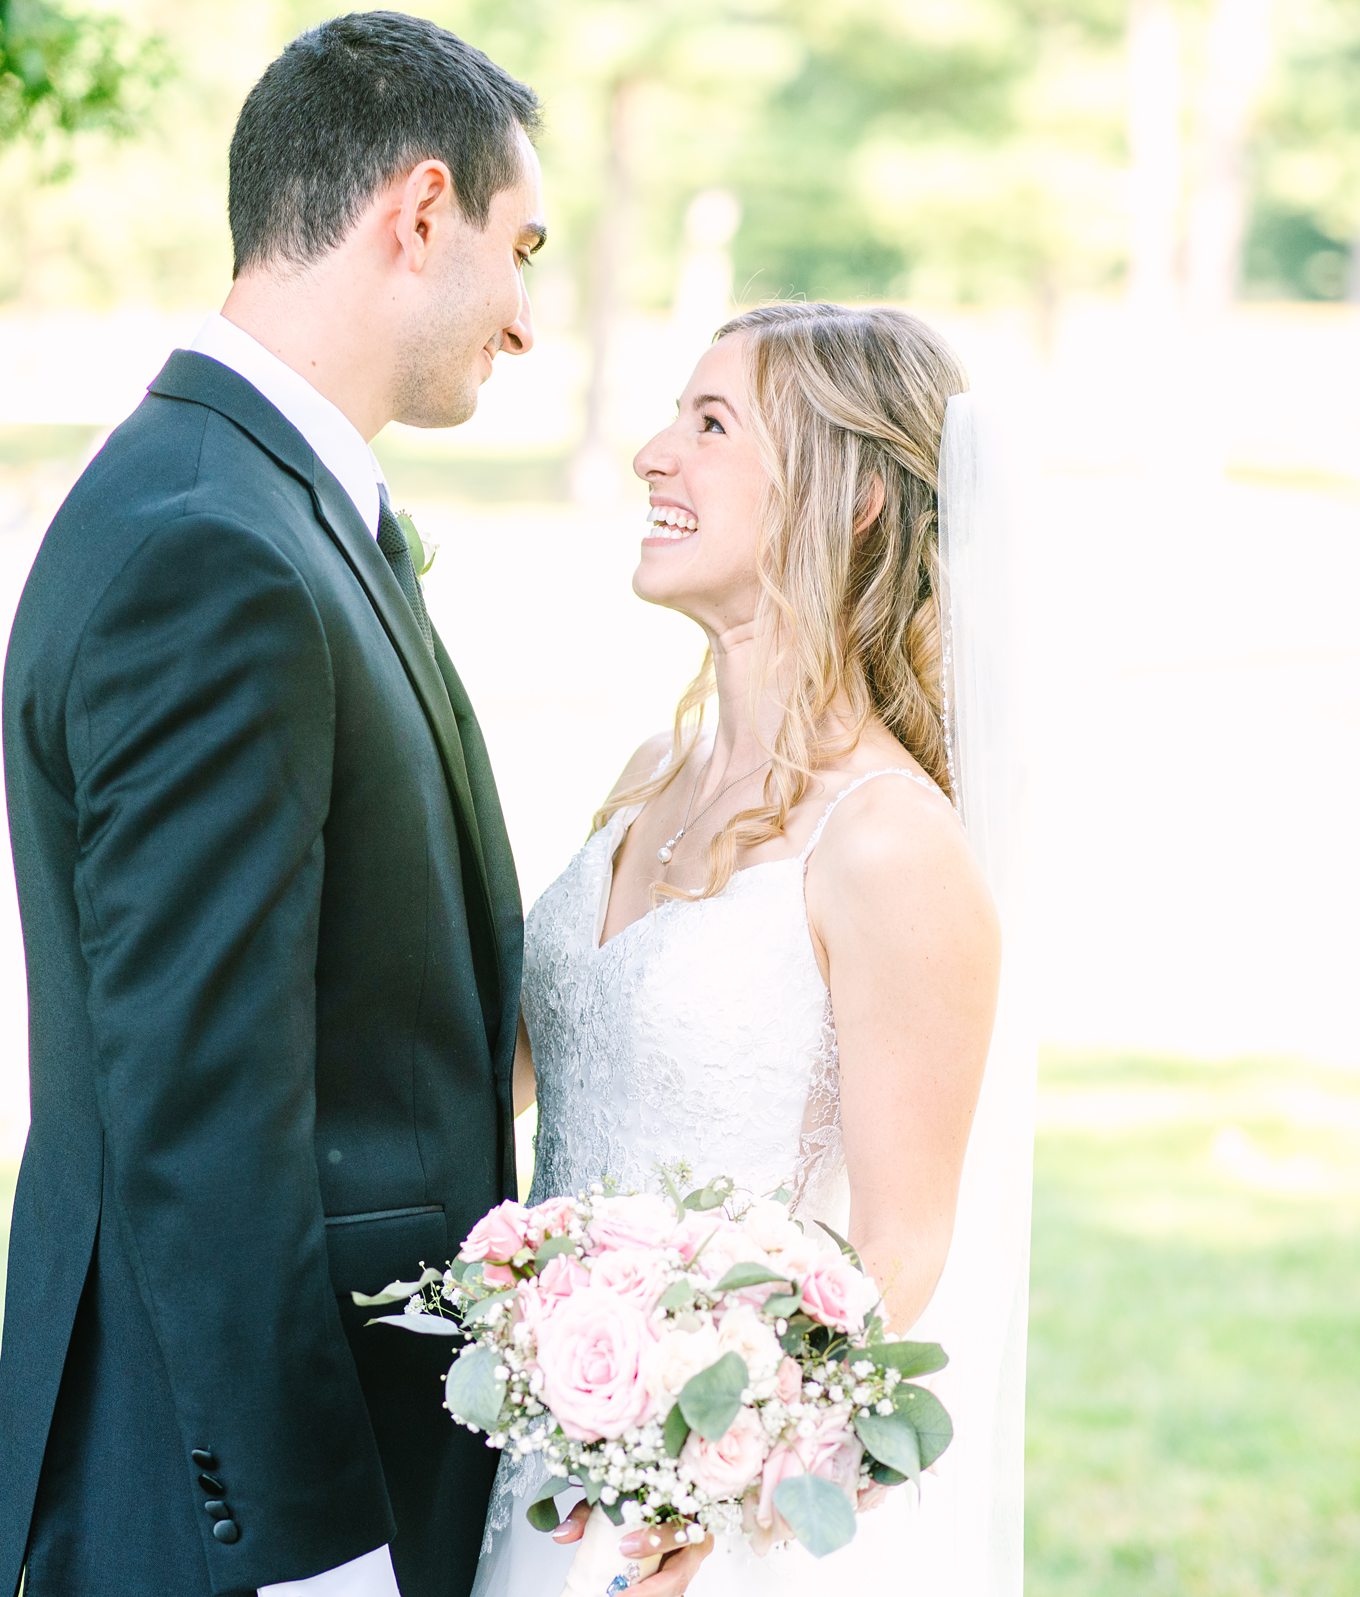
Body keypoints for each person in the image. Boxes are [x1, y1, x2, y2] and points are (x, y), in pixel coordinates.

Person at [0, 14, 546, 1596]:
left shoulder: (251, 503)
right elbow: (202, 1103)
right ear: (419, 216)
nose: (527, 317)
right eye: (523, 248)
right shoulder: (212, 551)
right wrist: (310, 1551)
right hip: (239, 1507)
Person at [472, 304, 1004, 1597]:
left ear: (858, 496)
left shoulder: (885, 841)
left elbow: (901, 1250)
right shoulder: (651, 772)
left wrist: (704, 1487)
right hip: (536, 1467)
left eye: (711, 425)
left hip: (714, 1519)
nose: (657, 453)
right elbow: (517, 1075)